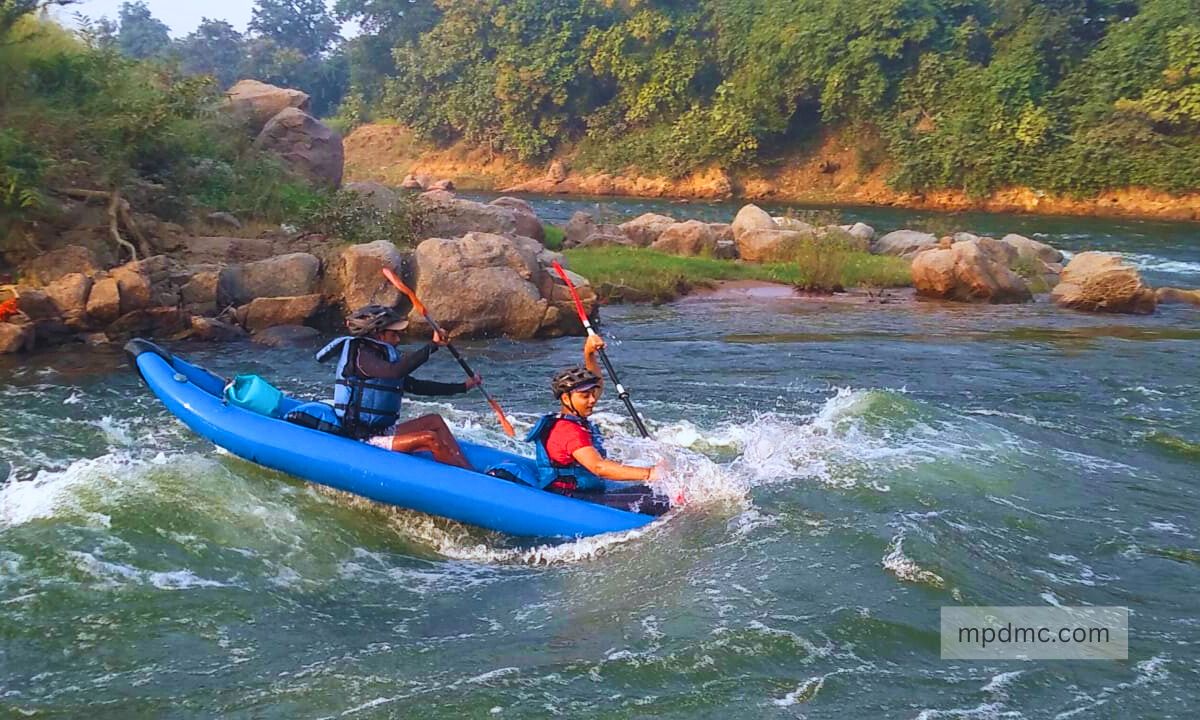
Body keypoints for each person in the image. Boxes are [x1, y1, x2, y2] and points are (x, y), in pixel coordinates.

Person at [314, 304, 478, 469]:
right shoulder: (361, 356)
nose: (398, 339)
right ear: (378, 334)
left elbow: (416, 386)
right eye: (394, 334)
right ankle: (466, 482)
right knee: (429, 438)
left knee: (434, 420)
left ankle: (469, 471)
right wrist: (433, 346)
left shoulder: (382, 357)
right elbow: (395, 372)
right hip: (362, 438)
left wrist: (463, 386)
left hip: (382, 431)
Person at [526, 334, 665, 495]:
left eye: (592, 394)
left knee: (656, 493)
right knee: (660, 502)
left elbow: (596, 383)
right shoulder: (569, 431)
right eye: (585, 396)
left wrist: (589, 353)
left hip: (588, 490)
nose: (592, 400)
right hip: (573, 498)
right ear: (565, 398)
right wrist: (650, 473)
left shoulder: (575, 417)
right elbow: (598, 467)